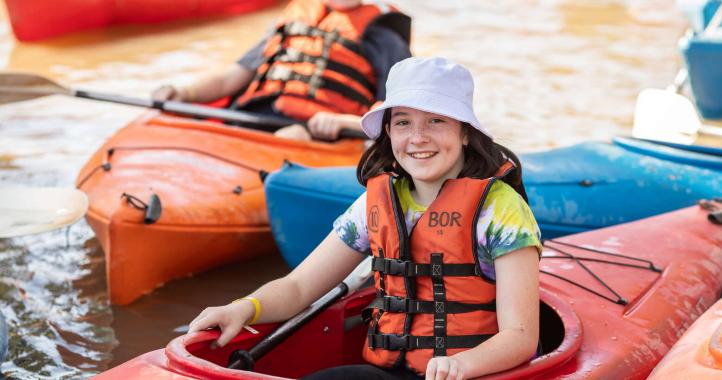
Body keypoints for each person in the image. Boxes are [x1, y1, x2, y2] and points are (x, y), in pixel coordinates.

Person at [188, 57, 542, 380]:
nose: (418, 138)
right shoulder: (373, 204)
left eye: (436, 120)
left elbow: (521, 336)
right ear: (389, 132)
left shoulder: (501, 210)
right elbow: (299, 288)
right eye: (403, 122)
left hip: (474, 373)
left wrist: (461, 365)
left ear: (465, 131)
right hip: (390, 370)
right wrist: (243, 309)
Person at [152, 0, 412, 141]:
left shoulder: (384, 35)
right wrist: (183, 92)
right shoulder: (294, 19)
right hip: (250, 118)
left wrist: (345, 123)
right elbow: (232, 77)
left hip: (316, 128)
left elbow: (396, 114)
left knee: (292, 136)